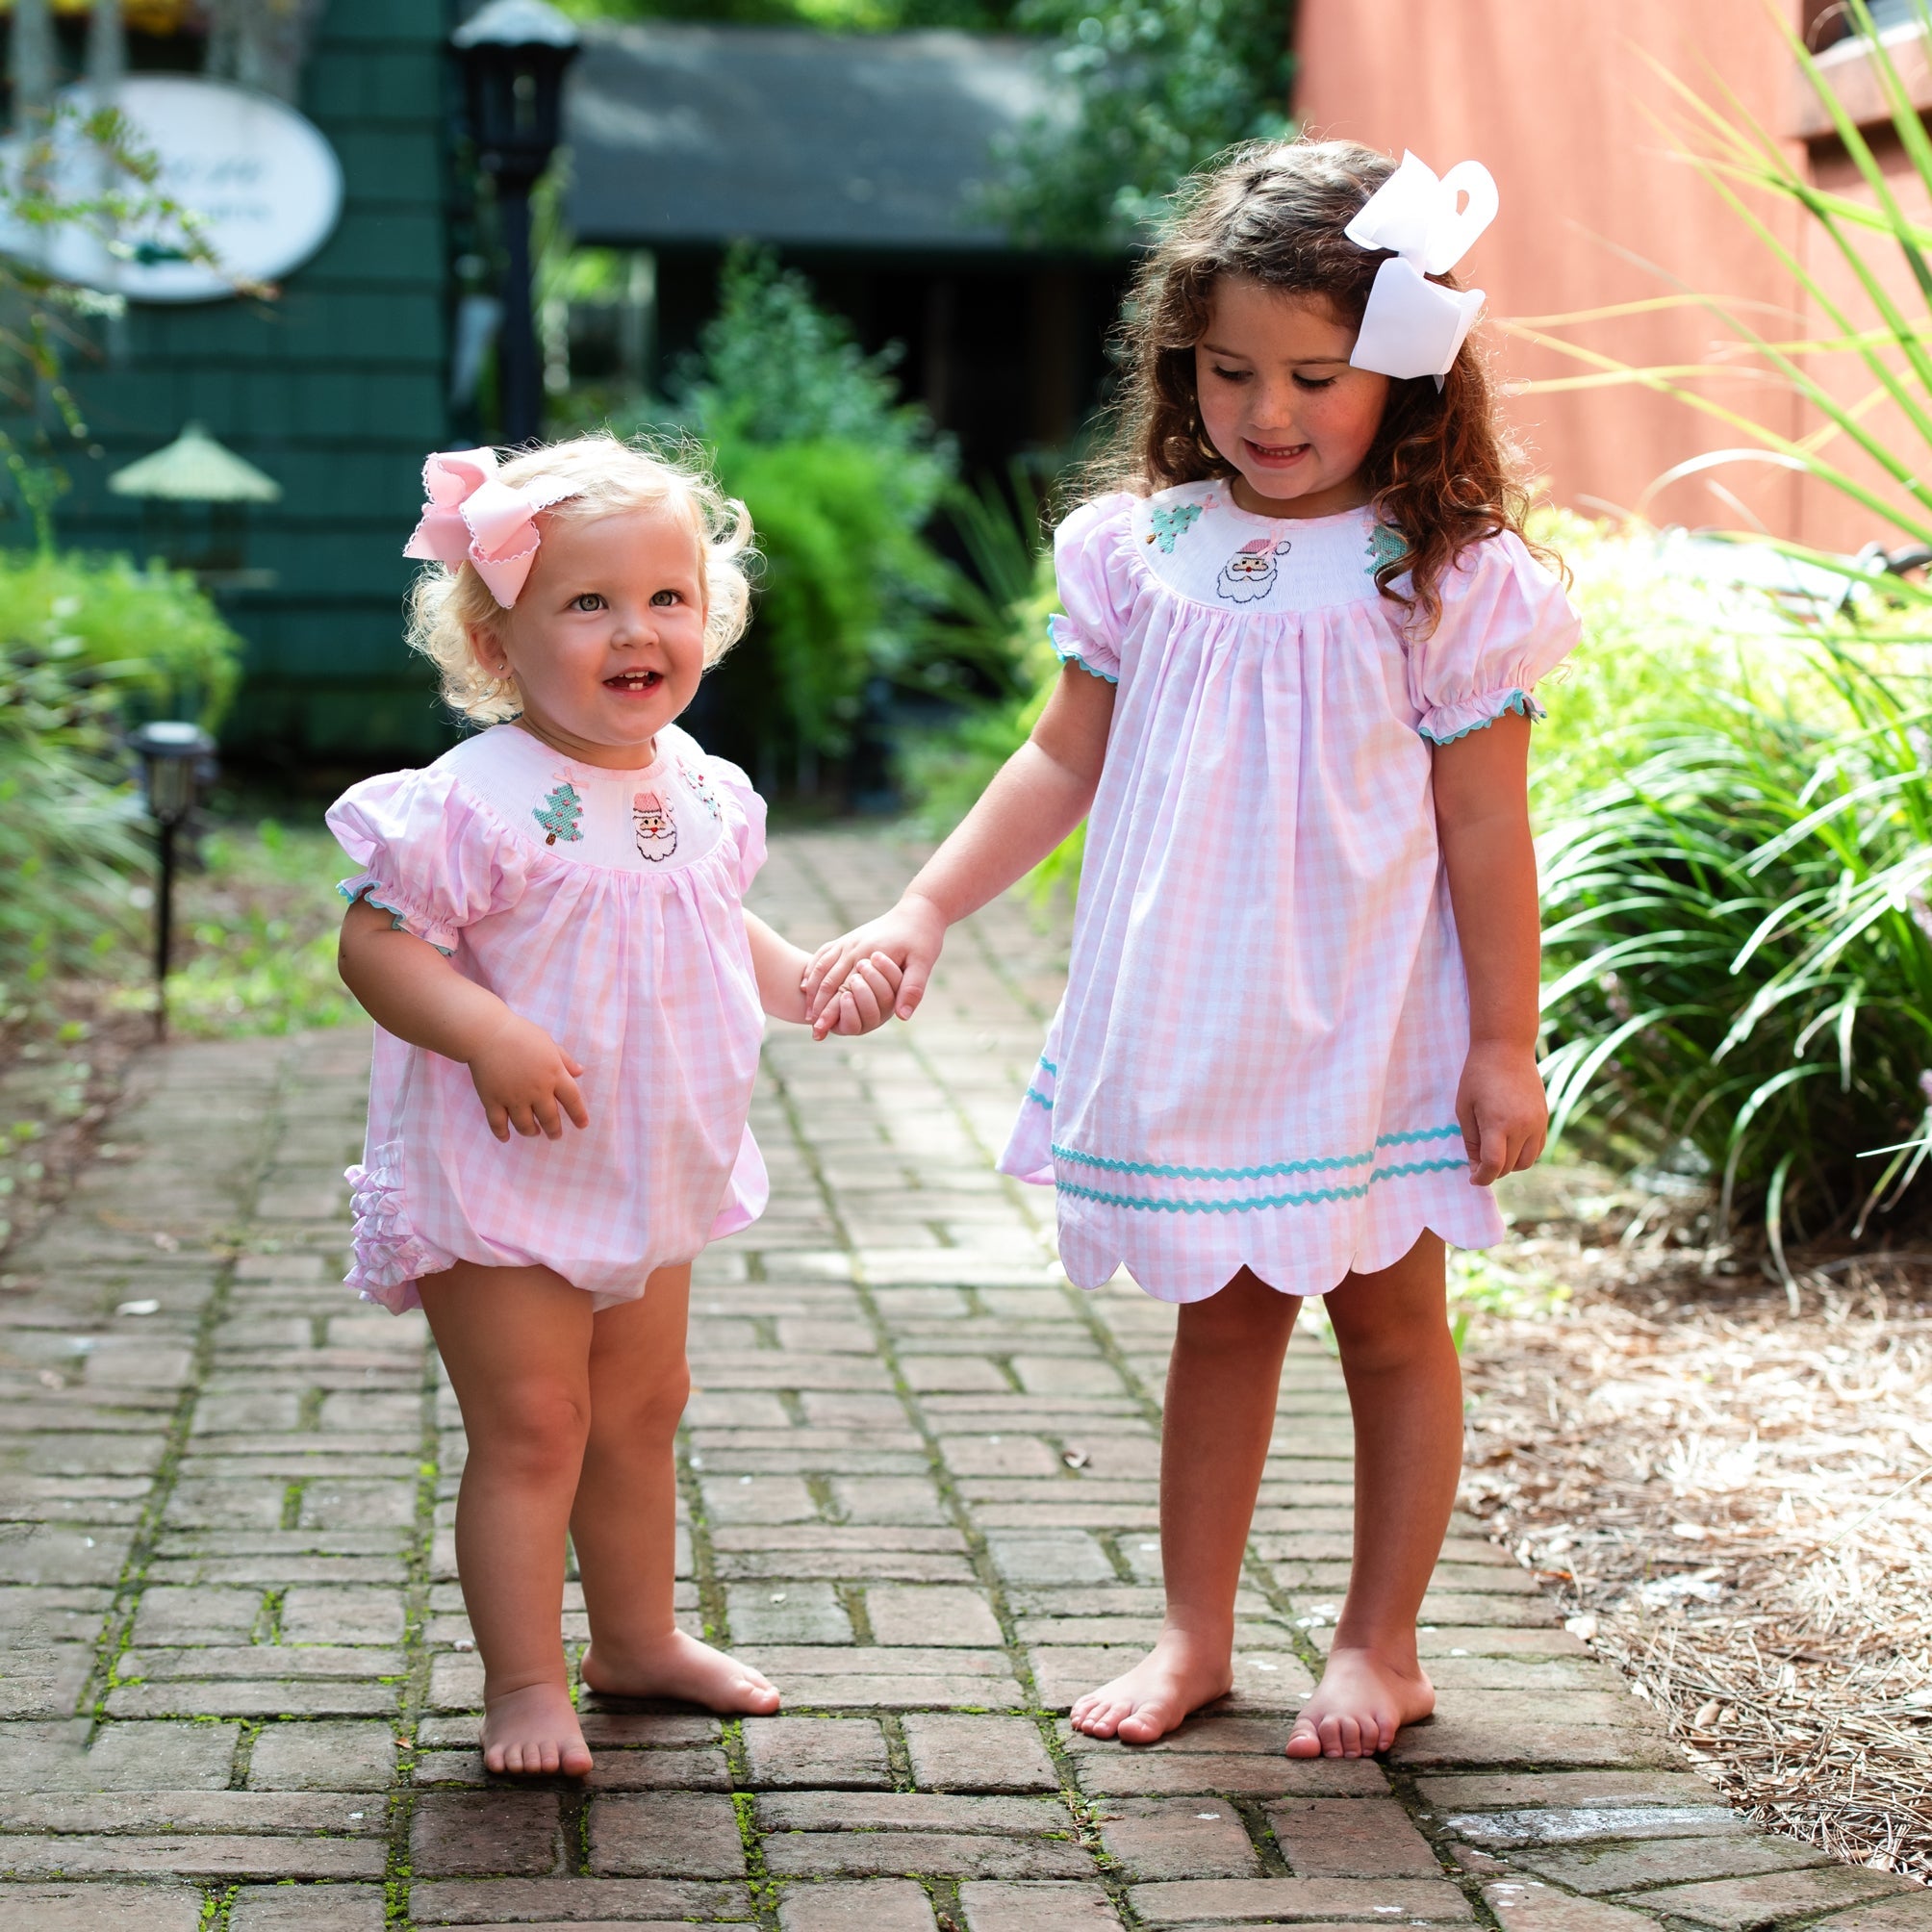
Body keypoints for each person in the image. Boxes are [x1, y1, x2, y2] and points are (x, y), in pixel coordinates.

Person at [802, 140, 1580, 1760]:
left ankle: (1385, 1645)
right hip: (1197, 1013)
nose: (1268, 410)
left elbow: (1487, 832)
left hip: (1367, 1019)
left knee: (1389, 1323)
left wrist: (1504, 1041)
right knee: (1218, 1319)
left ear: (1407, 378)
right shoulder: (1140, 549)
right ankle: (1193, 1633)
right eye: (1230, 369)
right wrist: (923, 905)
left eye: (1314, 374)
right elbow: (1056, 760)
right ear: (1182, 359)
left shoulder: (1441, 578)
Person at [328, 436, 902, 1777]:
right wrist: (486, 1033)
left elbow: (710, 919)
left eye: (667, 596)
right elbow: (378, 944)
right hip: (507, 1170)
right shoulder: (477, 801)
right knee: (537, 1429)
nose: (636, 628)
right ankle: (526, 1682)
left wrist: (803, 981)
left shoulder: (700, 785)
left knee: (642, 1416)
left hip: (651, 1167)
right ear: (497, 635)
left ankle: (638, 1640)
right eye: (588, 602)